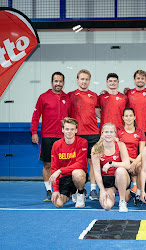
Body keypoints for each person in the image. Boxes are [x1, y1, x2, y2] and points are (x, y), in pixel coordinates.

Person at [31, 72, 71, 201]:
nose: (58, 83)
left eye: (60, 81)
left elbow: (72, 119)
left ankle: (62, 189)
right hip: (48, 136)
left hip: (63, 137)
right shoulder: (43, 97)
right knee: (47, 164)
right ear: (51, 82)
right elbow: (36, 116)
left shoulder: (68, 98)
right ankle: (49, 190)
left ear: (63, 83)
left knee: (63, 164)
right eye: (55, 81)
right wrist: (34, 132)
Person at [68, 69, 100, 200]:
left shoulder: (94, 96)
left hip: (93, 133)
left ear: (89, 81)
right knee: (78, 163)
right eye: (82, 79)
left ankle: (93, 190)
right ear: (77, 80)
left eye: (86, 79)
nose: (84, 82)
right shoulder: (70, 95)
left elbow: (99, 113)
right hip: (78, 134)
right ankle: (79, 189)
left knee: (93, 162)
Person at [91, 123, 131, 212]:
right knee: (107, 205)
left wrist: (111, 163)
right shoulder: (96, 148)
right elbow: (97, 172)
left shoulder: (120, 145)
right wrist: (102, 190)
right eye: (106, 132)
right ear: (101, 133)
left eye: (111, 132)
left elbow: (127, 165)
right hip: (107, 181)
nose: (109, 134)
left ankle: (122, 201)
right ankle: (113, 192)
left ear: (115, 134)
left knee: (120, 170)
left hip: (121, 178)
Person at [49, 117, 88, 208]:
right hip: (64, 178)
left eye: (72, 129)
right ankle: (73, 192)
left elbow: (80, 164)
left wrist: (60, 171)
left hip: (77, 174)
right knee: (58, 204)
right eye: (67, 129)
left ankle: (80, 193)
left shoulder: (83, 142)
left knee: (77, 173)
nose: (69, 131)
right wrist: (55, 190)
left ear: (76, 130)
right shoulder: (56, 145)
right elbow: (54, 168)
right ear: (62, 130)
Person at [117, 107, 146, 205]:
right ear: (123, 118)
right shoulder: (118, 131)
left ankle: (138, 193)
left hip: (135, 162)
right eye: (126, 116)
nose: (128, 118)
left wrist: (134, 162)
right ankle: (130, 189)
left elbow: (142, 152)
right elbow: (118, 149)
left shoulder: (140, 132)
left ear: (134, 117)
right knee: (125, 199)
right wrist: (128, 161)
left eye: (130, 116)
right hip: (123, 163)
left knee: (141, 166)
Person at [126, 70, 146, 145]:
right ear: (134, 80)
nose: (140, 80)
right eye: (138, 78)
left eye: (142, 78)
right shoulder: (129, 93)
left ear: (145, 80)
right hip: (133, 129)